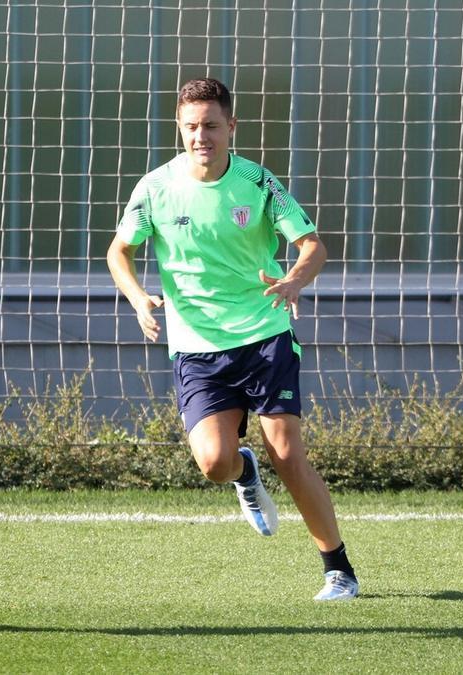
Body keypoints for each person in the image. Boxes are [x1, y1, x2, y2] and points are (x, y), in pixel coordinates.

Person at [106, 77, 358, 601]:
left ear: (231, 127)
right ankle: (244, 472)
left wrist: (292, 280)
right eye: (192, 127)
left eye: (212, 126)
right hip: (197, 343)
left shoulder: (259, 183)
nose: (202, 136)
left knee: (287, 451)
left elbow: (312, 245)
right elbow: (119, 251)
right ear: (180, 129)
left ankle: (338, 569)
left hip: (264, 332)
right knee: (214, 462)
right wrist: (135, 298)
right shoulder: (154, 187)